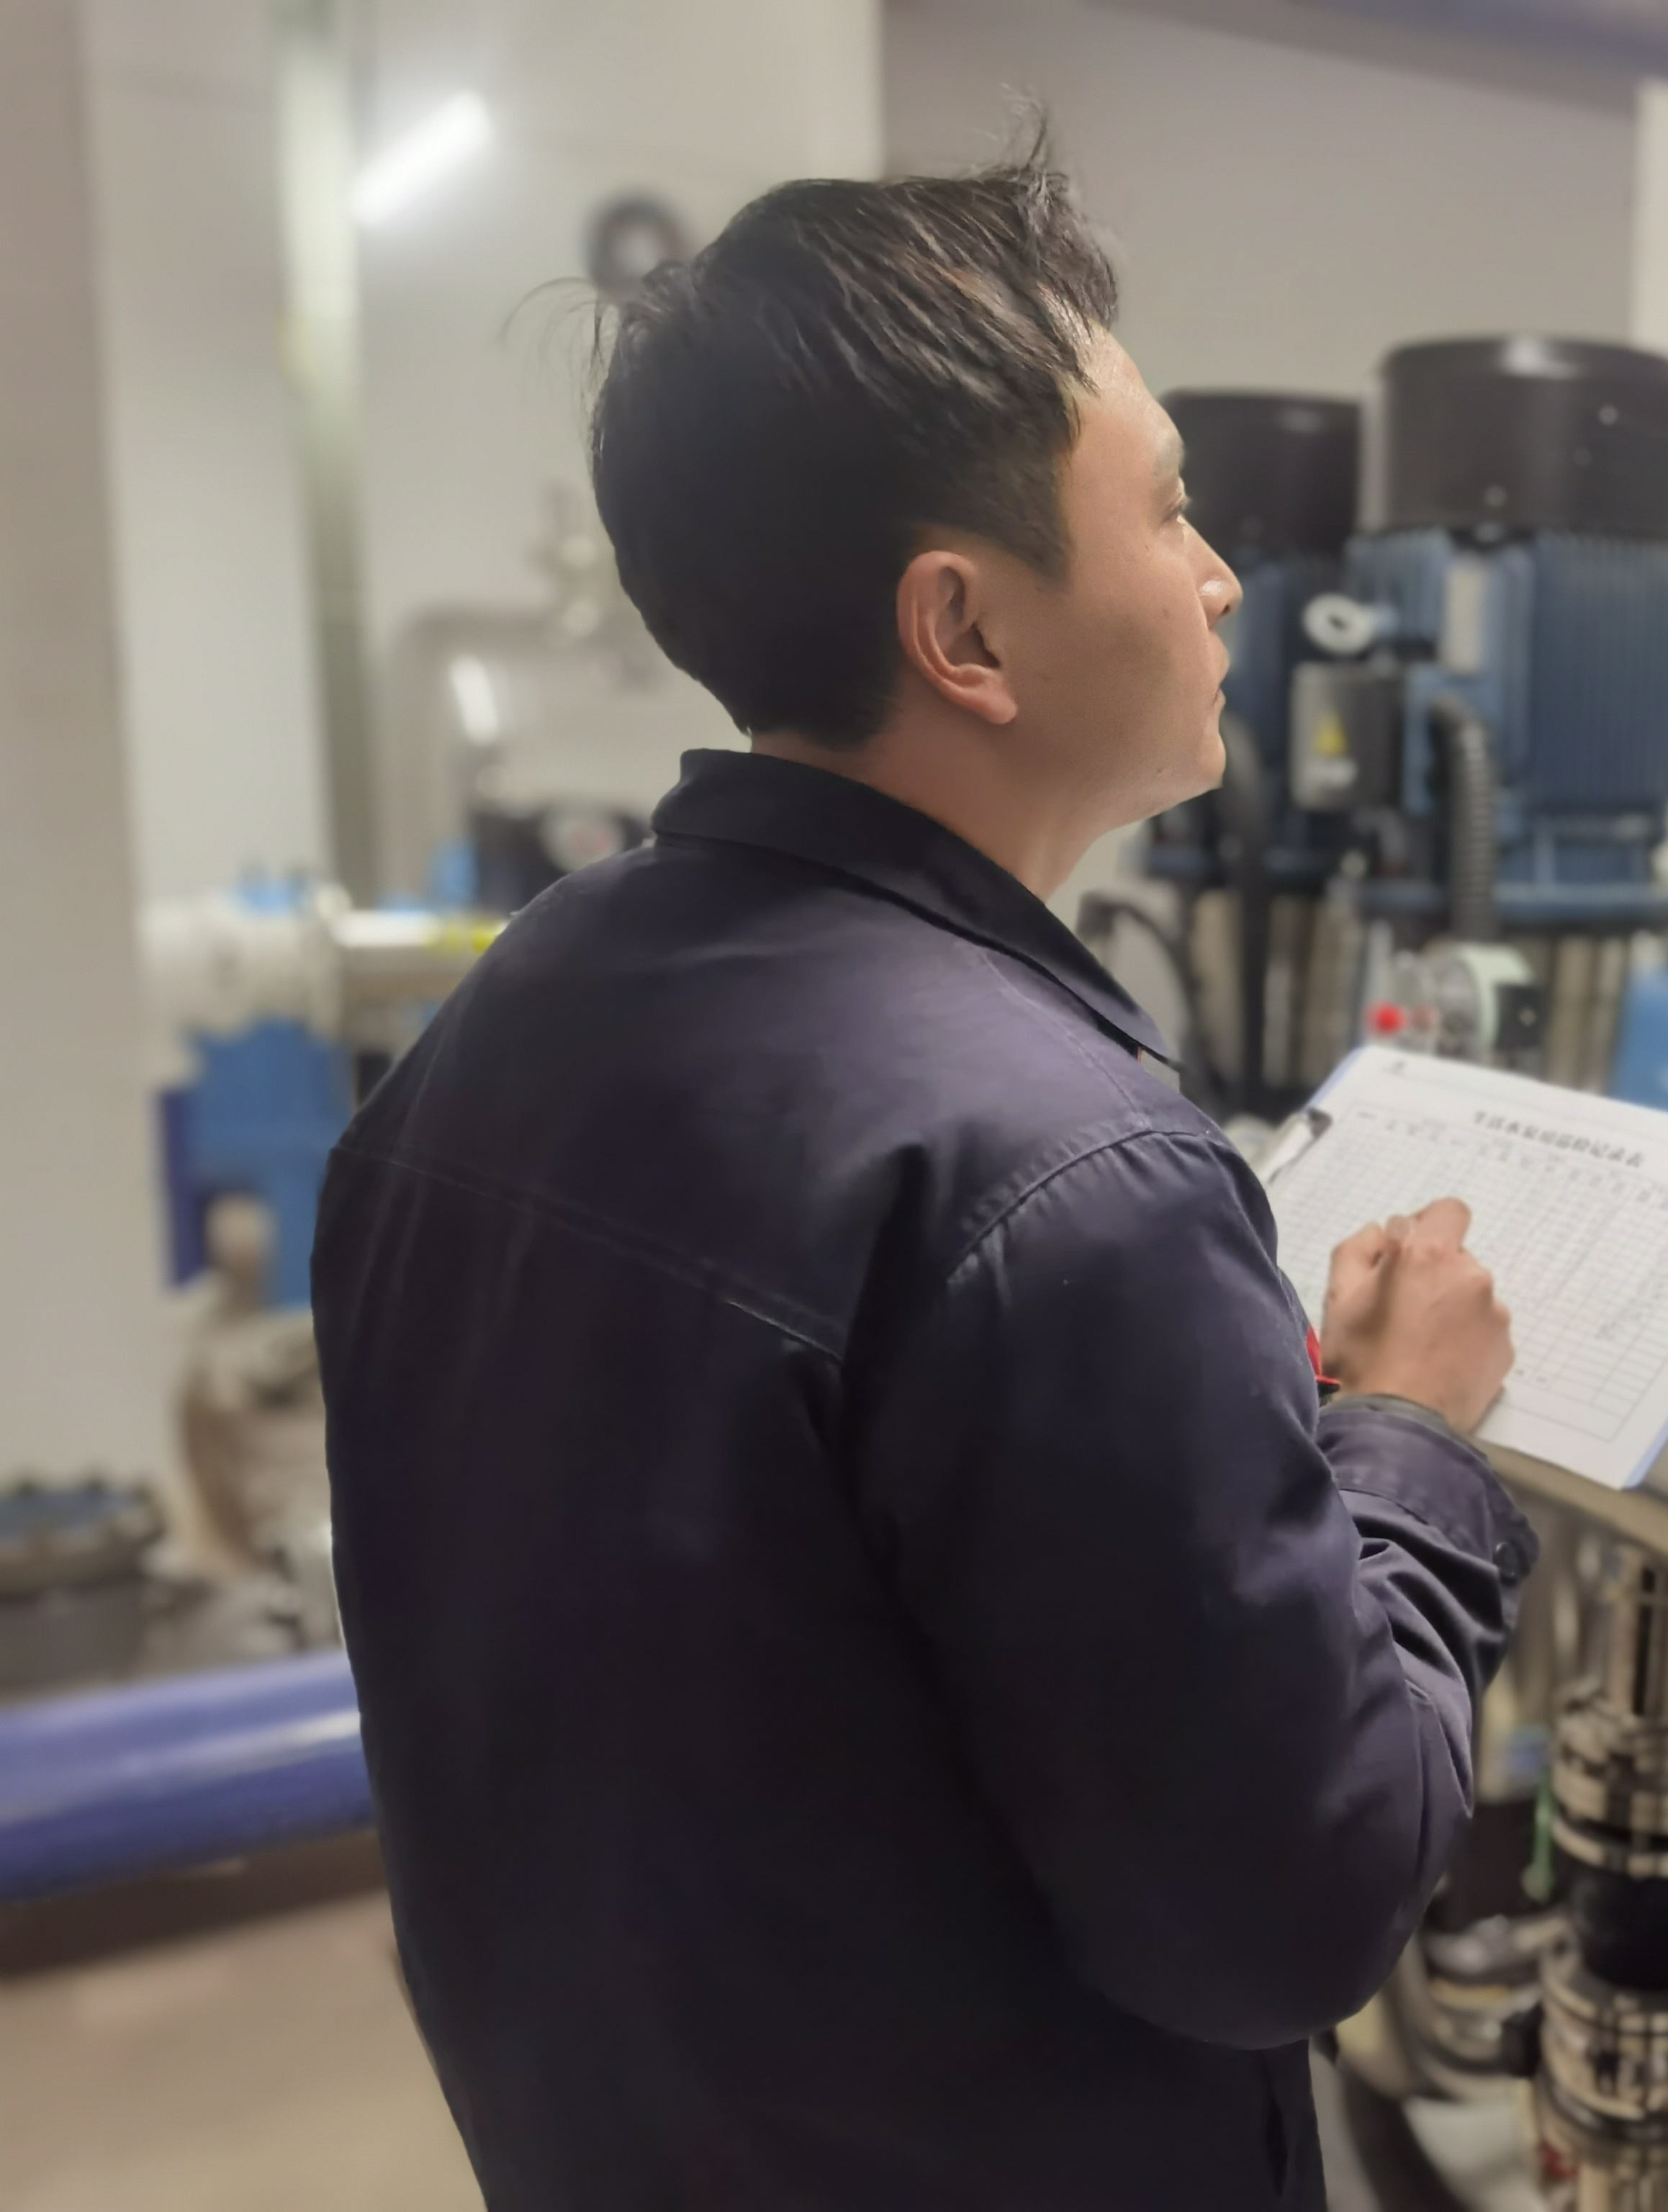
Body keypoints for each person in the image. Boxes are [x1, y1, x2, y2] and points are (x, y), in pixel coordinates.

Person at [311, 144, 1536, 2211]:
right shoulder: (1065, 1177)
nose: (1224, 578)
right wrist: (1409, 1434)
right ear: (964, 627)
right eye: (1168, 507)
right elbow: (1291, 1908)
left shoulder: (517, 1004)